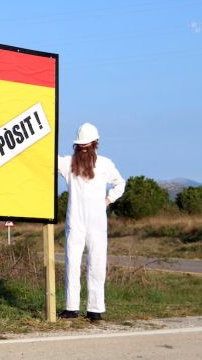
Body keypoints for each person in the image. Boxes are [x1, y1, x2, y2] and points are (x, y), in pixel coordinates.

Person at [57, 123, 125, 323]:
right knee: (72, 264)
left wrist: (108, 199)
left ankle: (95, 309)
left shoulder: (105, 164)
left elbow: (120, 183)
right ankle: (71, 308)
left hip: (97, 224)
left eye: (86, 145)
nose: (83, 148)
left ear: (95, 143)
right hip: (75, 222)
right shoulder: (69, 164)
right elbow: (48, 158)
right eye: (80, 145)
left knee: (96, 264)